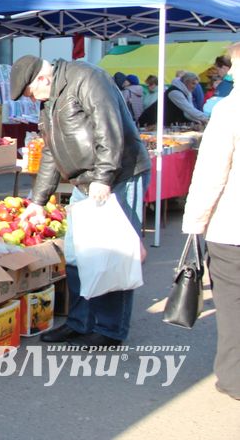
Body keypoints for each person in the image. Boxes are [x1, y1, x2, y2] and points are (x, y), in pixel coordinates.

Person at [10, 55, 150, 348]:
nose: (32, 99)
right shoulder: (49, 101)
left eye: (30, 93)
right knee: (76, 254)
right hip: (84, 182)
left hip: (118, 174)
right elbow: (51, 151)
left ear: (42, 79)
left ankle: (110, 330)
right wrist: (38, 200)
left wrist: (103, 176)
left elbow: (109, 128)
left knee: (115, 254)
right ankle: (79, 322)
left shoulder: (87, 78)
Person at [182, 41, 240, 401]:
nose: (230, 73)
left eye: (234, 65)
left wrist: (194, 224)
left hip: (233, 227)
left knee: (232, 304)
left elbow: (212, 173)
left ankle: (234, 378)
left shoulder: (232, 110)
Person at [137, 71, 208, 127]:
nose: (195, 87)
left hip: (161, 123)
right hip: (150, 122)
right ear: (186, 82)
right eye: (193, 83)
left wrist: (199, 119)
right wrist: (206, 118)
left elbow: (188, 113)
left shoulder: (186, 93)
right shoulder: (174, 92)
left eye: (196, 84)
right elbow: (188, 109)